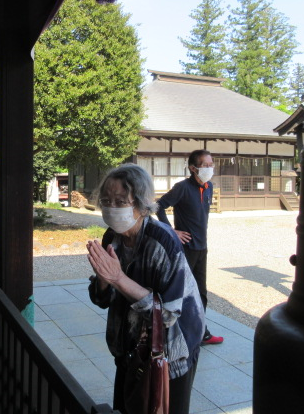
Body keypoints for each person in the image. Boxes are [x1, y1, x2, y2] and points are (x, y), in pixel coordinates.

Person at [87, 163, 204, 414]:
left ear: (140, 204)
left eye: (120, 201)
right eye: (106, 200)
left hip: (172, 348)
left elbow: (170, 313)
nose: (111, 207)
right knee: (129, 406)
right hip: (129, 347)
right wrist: (104, 280)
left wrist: (118, 278)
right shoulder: (112, 238)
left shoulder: (162, 241)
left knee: (161, 406)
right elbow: (102, 299)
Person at [157, 150, 224, 345]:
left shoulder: (209, 186)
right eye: (205, 165)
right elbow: (159, 205)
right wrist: (171, 231)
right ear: (193, 168)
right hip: (186, 248)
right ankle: (174, 331)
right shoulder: (182, 188)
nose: (210, 168)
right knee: (182, 291)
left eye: (211, 164)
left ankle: (201, 332)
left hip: (202, 247)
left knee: (201, 292)